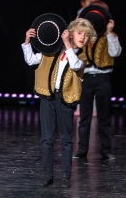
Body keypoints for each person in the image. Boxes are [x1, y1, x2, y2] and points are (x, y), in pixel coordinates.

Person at [22, 14, 95, 188]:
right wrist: (27, 42)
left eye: (86, 35)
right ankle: (48, 175)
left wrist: (69, 46)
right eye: (79, 34)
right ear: (70, 33)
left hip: (65, 100)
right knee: (47, 139)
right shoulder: (51, 51)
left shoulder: (81, 56)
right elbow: (31, 60)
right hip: (48, 98)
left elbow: (75, 65)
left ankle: (65, 177)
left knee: (66, 140)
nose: (83, 38)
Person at [74, 1, 122, 160]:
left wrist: (109, 33)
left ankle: (105, 150)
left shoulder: (111, 36)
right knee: (85, 117)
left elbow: (115, 53)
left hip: (103, 78)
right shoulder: (84, 36)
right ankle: (81, 150)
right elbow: (73, 51)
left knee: (104, 117)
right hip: (86, 77)